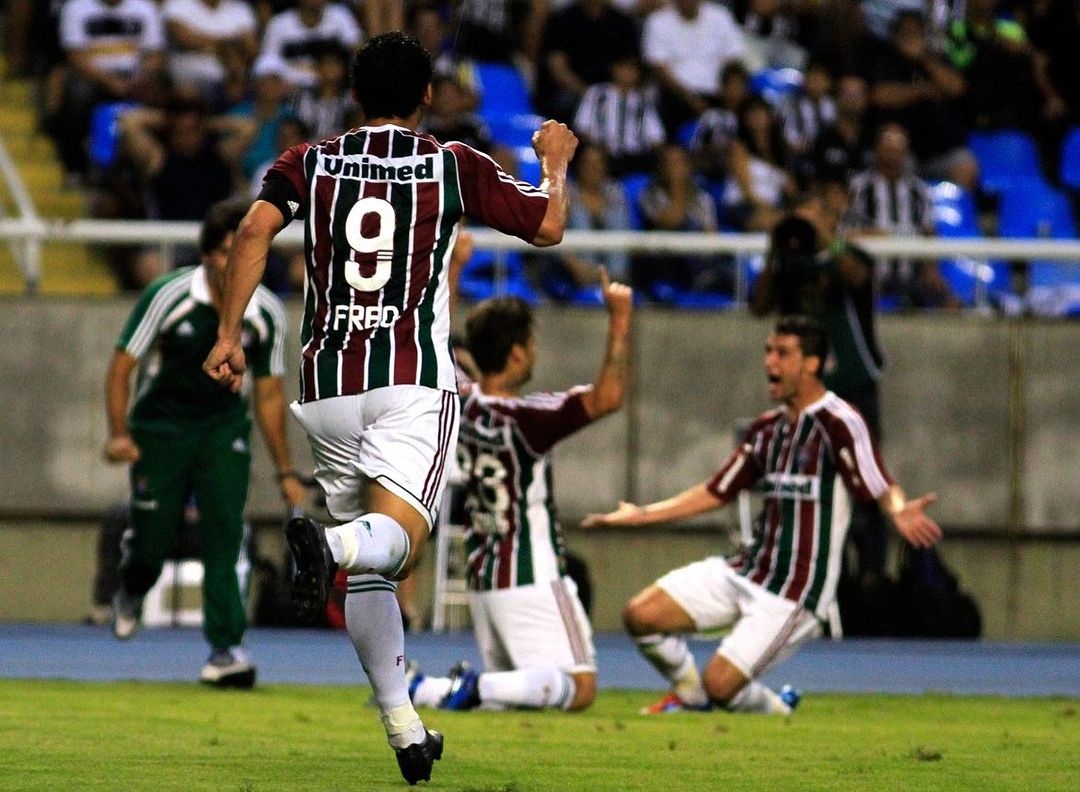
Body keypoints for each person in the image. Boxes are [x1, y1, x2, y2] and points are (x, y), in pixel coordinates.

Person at [201, 32, 577, 785]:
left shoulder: (307, 161)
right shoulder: (451, 163)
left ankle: (405, 729)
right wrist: (555, 164)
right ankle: (328, 546)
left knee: (374, 568)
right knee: (394, 545)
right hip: (409, 380)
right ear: (428, 97)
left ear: (353, 96)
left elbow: (252, 230)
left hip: (328, 384)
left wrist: (230, 333)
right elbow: (548, 226)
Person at [583, 315, 942, 714]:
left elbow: (879, 484)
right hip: (747, 570)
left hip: (795, 592)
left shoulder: (840, 422)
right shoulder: (767, 430)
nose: (770, 362)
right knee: (641, 615)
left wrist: (898, 509)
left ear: (812, 364)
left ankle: (777, 709)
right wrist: (642, 516)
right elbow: (716, 491)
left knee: (722, 683)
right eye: (769, 352)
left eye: (783, 354)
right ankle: (691, 695)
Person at [407, 265, 633, 713]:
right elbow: (607, 397)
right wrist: (621, 317)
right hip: (531, 572)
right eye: (530, 345)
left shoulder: (459, 402)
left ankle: (420, 689)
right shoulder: (528, 419)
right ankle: (474, 685)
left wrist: (451, 272)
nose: (534, 353)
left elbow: (436, 338)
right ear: (514, 354)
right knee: (578, 687)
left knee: (515, 696)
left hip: (483, 575)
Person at [103, 198, 308, 687]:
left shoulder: (266, 313)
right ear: (207, 255)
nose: (231, 262)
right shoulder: (169, 295)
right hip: (162, 430)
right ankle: (132, 586)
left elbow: (270, 395)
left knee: (225, 534)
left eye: (242, 251)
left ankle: (226, 647)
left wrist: (285, 474)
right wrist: (118, 434)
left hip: (222, 433)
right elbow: (121, 368)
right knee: (152, 540)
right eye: (223, 252)